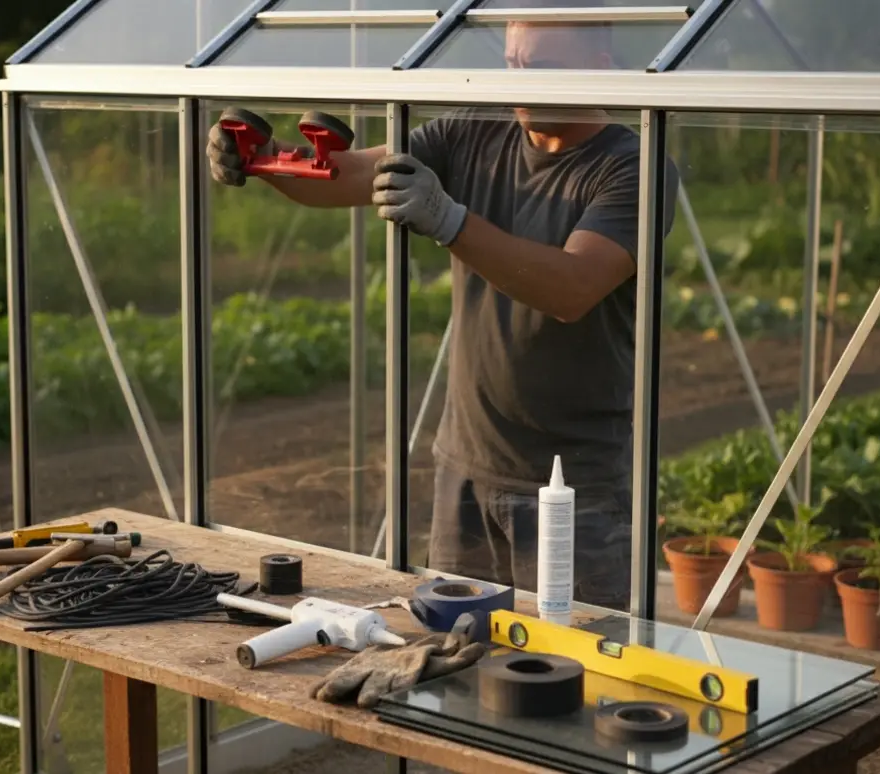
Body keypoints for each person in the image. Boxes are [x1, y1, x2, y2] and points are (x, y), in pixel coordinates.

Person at [206, 17, 679, 611]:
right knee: (457, 658)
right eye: (514, 64)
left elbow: (573, 287)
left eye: (544, 68)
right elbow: (355, 175)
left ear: (602, 66)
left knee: (573, 666)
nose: (520, 85)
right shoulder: (475, 130)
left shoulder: (635, 167)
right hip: (466, 470)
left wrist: (449, 221)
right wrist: (265, 161)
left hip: (573, 487)